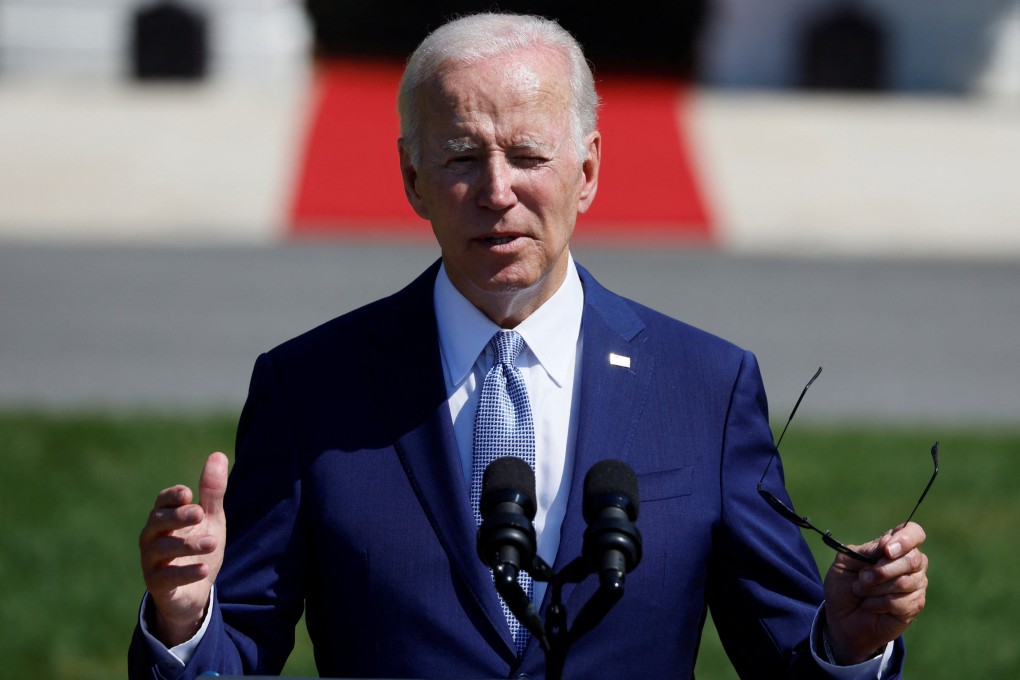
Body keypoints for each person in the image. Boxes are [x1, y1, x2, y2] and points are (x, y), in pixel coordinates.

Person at [131, 12, 928, 679]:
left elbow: (785, 654)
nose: (497, 192)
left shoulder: (704, 387)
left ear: (587, 171)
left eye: (529, 156)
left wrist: (847, 644)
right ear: (412, 178)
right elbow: (236, 650)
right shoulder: (310, 388)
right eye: (462, 158)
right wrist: (186, 620)